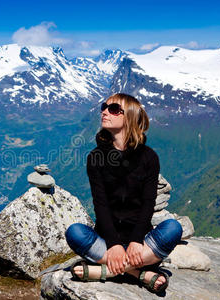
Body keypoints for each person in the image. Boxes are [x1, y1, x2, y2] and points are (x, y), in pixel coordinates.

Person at [65, 93, 183, 294]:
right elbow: (100, 204)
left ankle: (108, 271)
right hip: (107, 242)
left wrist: (136, 240)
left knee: (173, 228)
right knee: (74, 232)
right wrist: (114, 245)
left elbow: (148, 203)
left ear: (128, 116)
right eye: (104, 107)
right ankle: (137, 273)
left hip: (140, 243)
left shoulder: (149, 157)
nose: (104, 112)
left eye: (112, 109)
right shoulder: (96, 157)